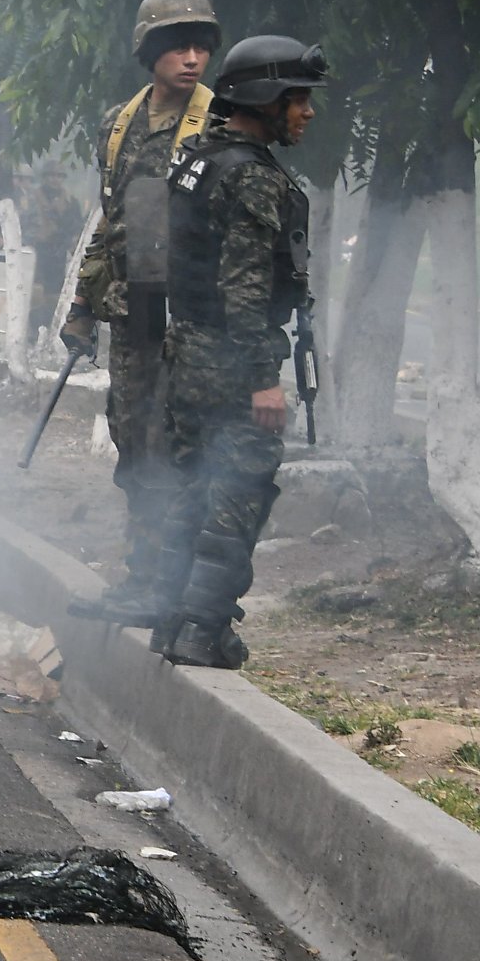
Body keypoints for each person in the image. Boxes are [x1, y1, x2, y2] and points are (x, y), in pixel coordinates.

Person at [152, 35, 325, 667]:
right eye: (298, 100)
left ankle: (173, 620)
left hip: (189, 347)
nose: (307, 113)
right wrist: (263, 378)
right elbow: (245, 283)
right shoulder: (251, 175)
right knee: (238, 491)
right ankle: (202, 630)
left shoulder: (201, 155)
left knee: (192, 487)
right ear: (266, 98)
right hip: (230, 358)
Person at [63, 0, 223, 626]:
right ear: (150, 50)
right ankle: (142, 578)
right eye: (177, 45)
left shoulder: (217, 124)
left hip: (190, 320)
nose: (191, 58)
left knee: (181, 450)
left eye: (200, 46)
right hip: (133, 318)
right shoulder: (118, 124)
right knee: (136, 442)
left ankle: (176, 587)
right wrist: (80, 305)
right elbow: (107, 224)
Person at [18, 161, 84, 335]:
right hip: (35, 254)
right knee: (34, 295)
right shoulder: (31, 199)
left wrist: (72, 243)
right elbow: (21, 225)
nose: (55, 180)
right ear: (44, 177)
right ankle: (30, 333)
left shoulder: (70, 201)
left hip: (58, 256)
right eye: (51, 176)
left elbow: (77, 227)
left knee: (54, 299)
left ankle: (48, 333)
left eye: (58, 176)